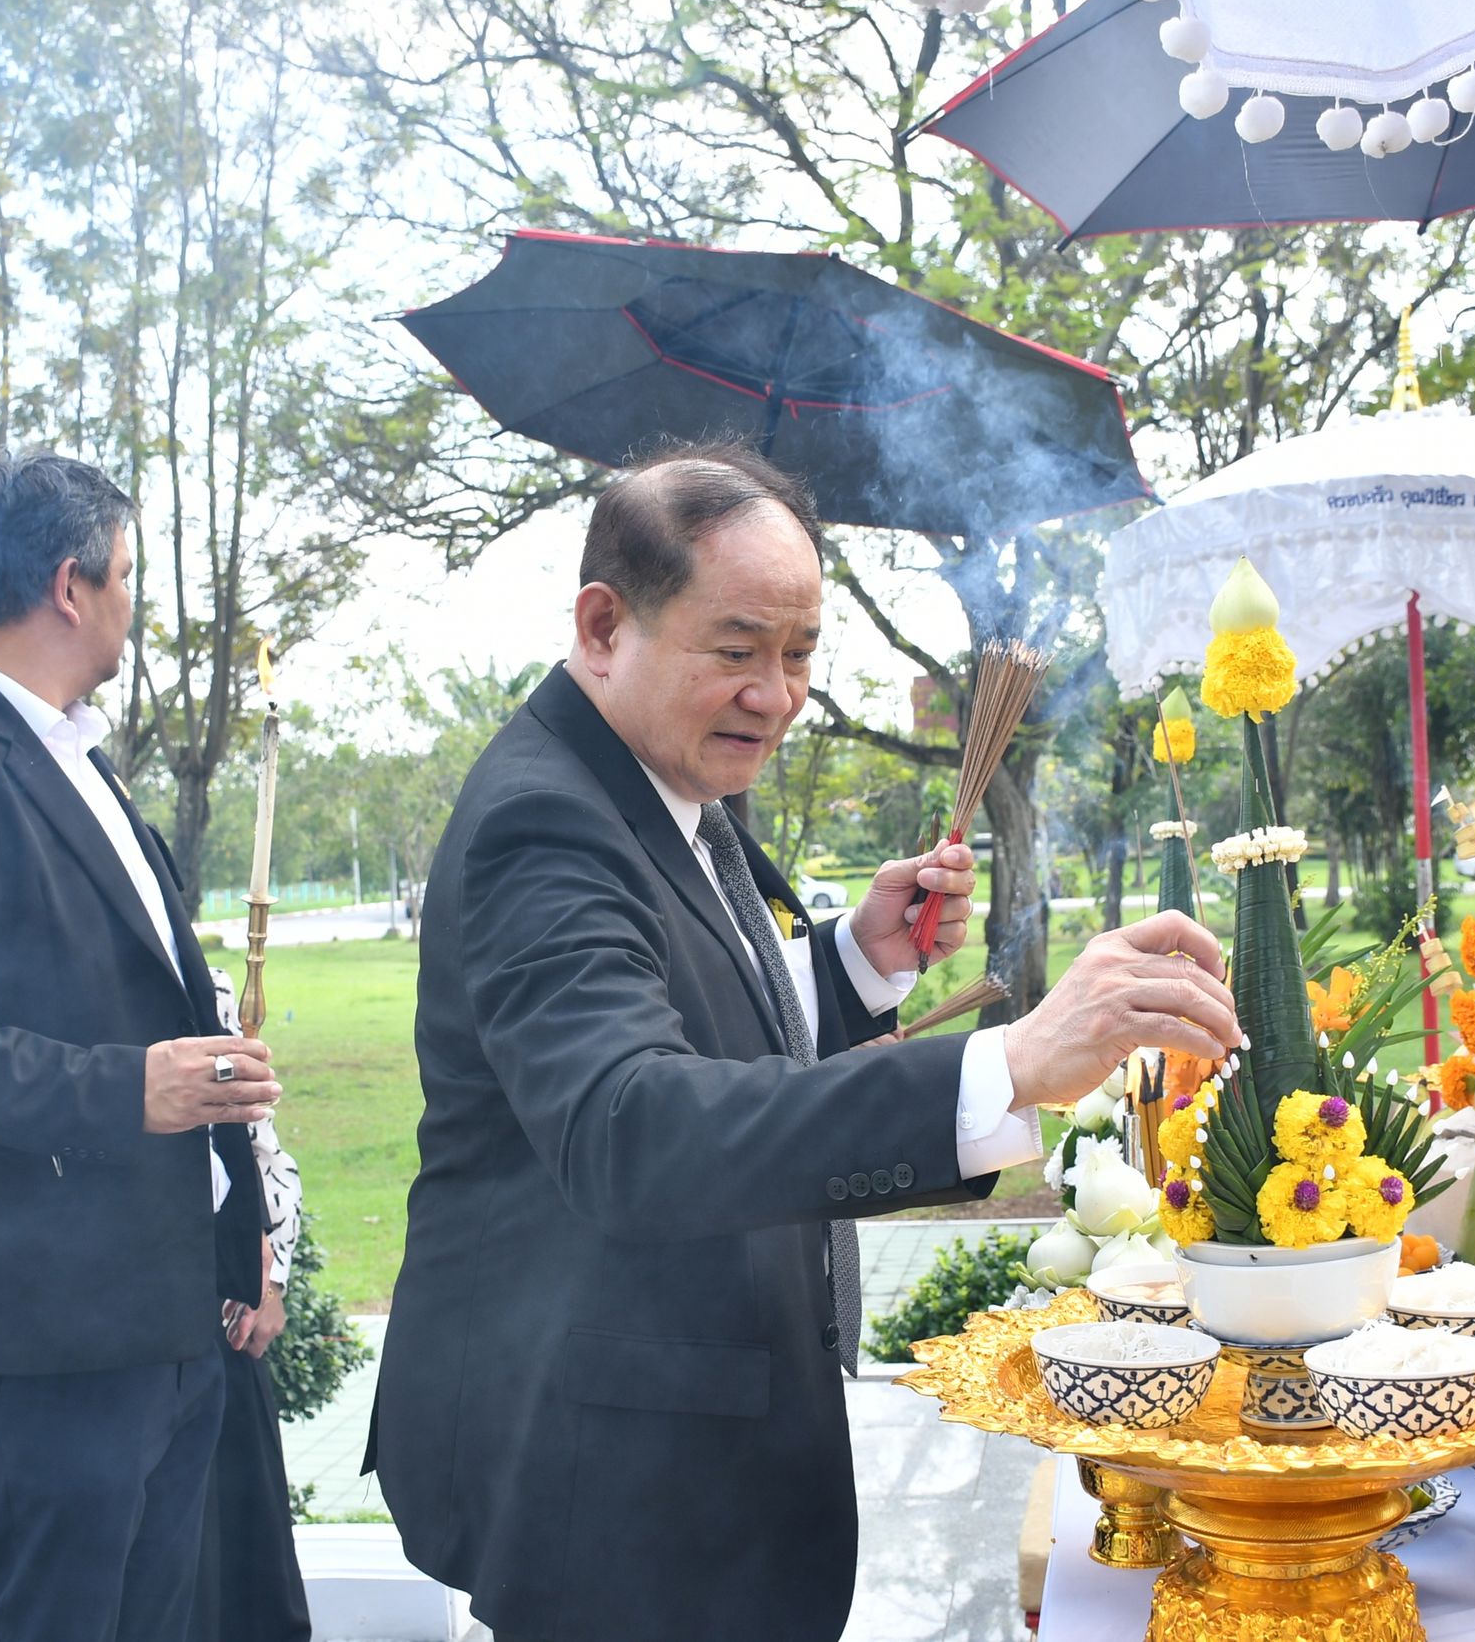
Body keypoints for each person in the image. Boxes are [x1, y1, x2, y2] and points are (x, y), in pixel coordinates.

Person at [367, 441, 1239, 1642]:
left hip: (693, 1423)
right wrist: (1009, 1064)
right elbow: (633, 1123)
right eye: (735, 650)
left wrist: (854, 960)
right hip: (605, 1472)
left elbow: (705, 1014)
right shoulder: (545, 823)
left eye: (799, 653)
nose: (776, 695)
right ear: (603, 623)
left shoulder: (668, 785)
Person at [0, 450, 279, 1642]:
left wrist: (246, 1230)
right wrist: (135, 1086)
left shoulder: (83, 764)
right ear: (72, 587)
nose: (135, 604)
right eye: (128, 575)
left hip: (158, 1309)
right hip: (39, 1332)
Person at [196, 966, 312, 1642]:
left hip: (229, 1333)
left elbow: (265, 1153)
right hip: (128, 1334)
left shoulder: (207, 988)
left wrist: (274, 1279)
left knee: (254, 1581)